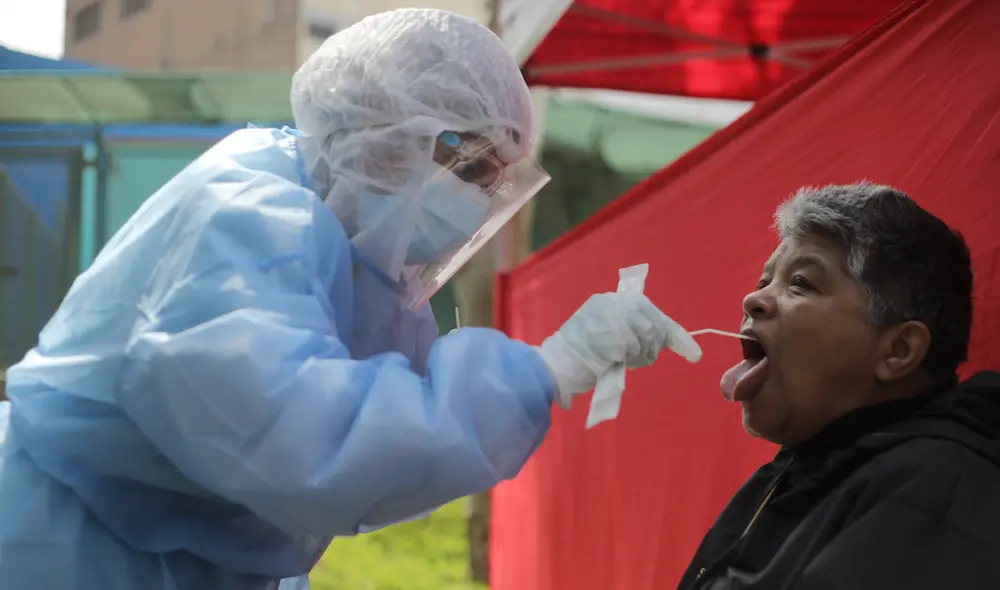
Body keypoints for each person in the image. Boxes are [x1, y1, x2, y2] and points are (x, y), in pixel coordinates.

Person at [0, 9, 702, 590]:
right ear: (392, 131)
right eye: (472, 166)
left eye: (495, 178)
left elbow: (390, 421)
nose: (482, 197)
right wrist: (548, 369)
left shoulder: (365, 261)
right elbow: (310, 442)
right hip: (67, 550)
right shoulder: (247, 215)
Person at [680, 182, 1000, 590]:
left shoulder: (939, 491)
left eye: (800, 283)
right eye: (765, 282)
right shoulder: (799, 470)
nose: (753, 299)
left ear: (898, 350)